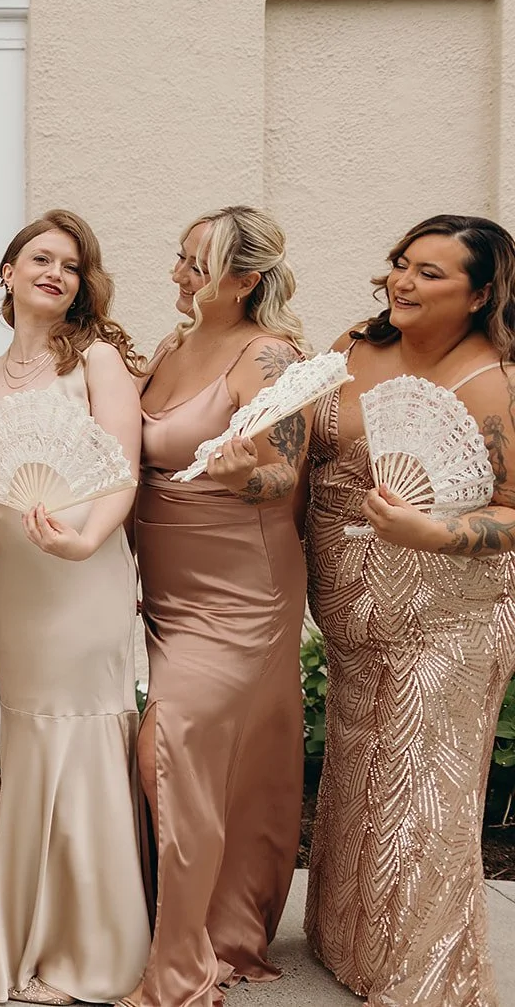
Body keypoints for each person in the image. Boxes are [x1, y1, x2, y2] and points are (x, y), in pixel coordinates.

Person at [305, 214, 515, 1007]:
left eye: (430, 273)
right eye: (401, 263)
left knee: (423, 788)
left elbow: (512, 509)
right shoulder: (353, 347)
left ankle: (421, 975)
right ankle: (349, 945)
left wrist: (434, 531)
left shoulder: (493, 379)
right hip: (353, 612)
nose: (403, 281)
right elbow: (302, 446)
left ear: (482, 292)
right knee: (360, 774)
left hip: (449, 609)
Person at [0, 210, 148, 1005]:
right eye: (41, 258)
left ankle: (90, 949)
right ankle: (32, 926)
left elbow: (122, 473)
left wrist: (84, 540)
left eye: (71, 265)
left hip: (83, 571)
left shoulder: (98, 361)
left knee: (84, 732)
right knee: (31, 737)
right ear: (8, 272)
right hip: (14, 588)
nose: (56, 273)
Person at [130, 206, 307, 1007]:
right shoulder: (169, 345)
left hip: (243, 590)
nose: (177, 275)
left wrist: (244, 472)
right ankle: (222, 927)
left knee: (174, 740)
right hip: (165, 586)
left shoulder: (269, 357)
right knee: (217, 760)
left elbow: (283, 479)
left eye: (195, 267)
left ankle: (181, 973)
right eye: (180, 258)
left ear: (245, 280)